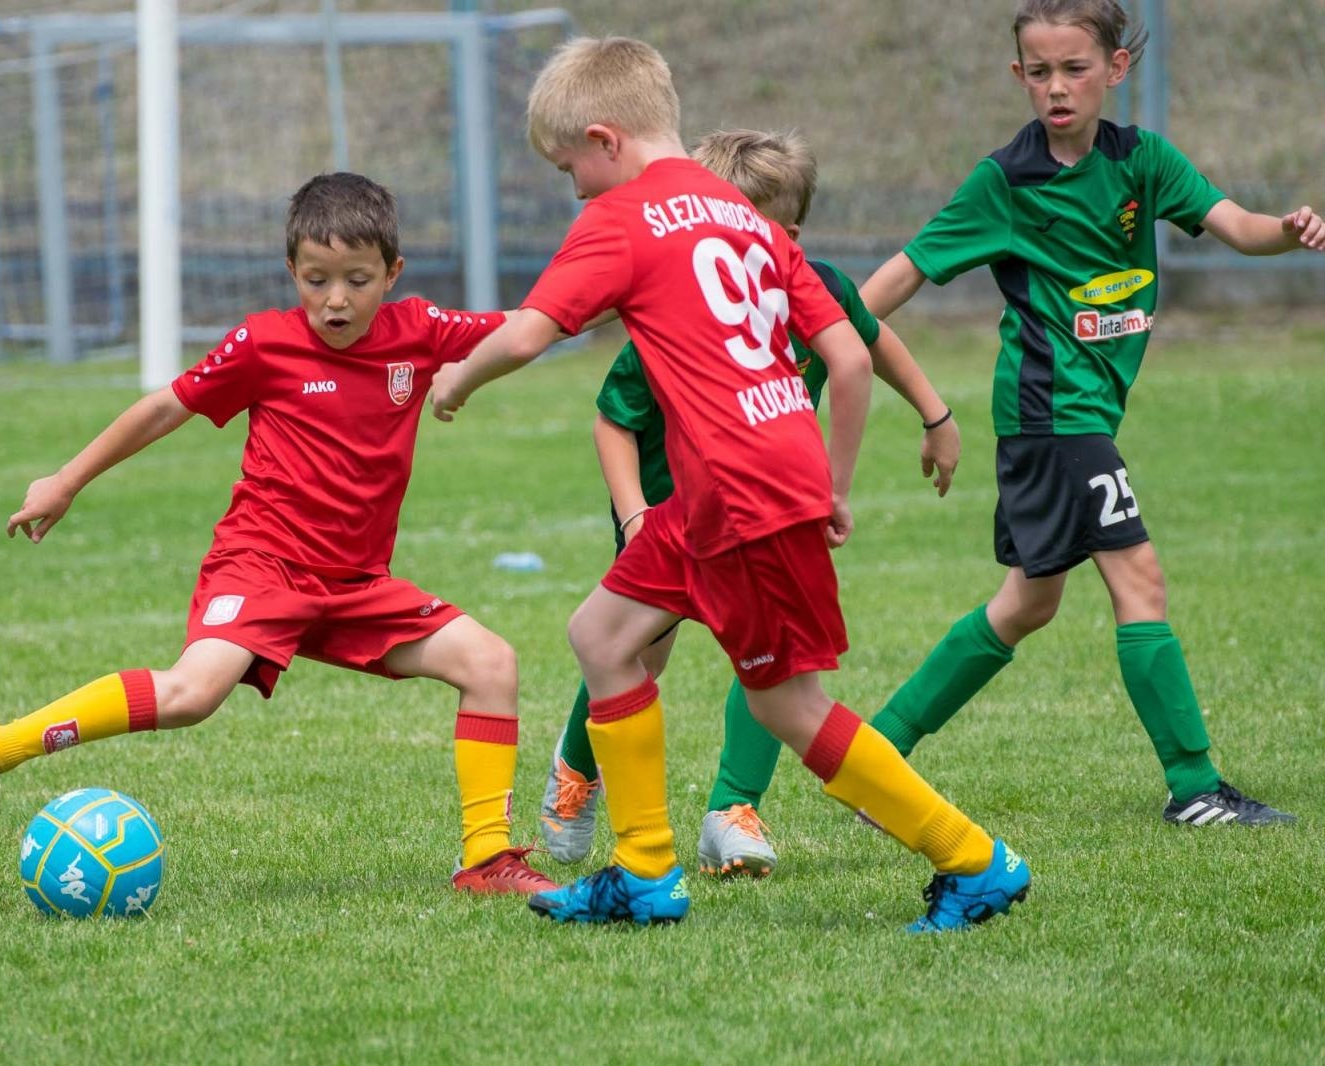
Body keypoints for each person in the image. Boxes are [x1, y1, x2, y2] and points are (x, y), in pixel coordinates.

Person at [430, 36, 1030, 931]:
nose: (575, 190)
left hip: (739, 491)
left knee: (788, 706)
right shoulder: (743, 213)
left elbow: (526, 333)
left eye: (569, 168)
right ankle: (642, 874)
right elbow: (846, 358)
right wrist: (832, 482)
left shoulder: (622, 216)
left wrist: (456, 381)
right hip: (728, 488)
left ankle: (974, 861)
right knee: (600, 634)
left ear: (605, 139)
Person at [0, 172, 562, 896]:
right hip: (263, 568)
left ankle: (487, 861)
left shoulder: (420, 332)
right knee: (191, 694)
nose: (335, 299)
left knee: (490, 664)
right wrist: (66, 480)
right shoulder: (262, 344)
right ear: (291, 272)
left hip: (355, 584)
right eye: (316, 279)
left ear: (393, 274)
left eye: (357, 280)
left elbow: (530, 327)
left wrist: (625, 289)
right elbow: (162, 409)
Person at [860, 0, 1322, 826]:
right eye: (1039, 73)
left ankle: (876, 756)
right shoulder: (1004, 180)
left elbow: (1237, 227)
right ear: (1019, 77)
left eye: (1075, 69)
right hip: (1053, 415)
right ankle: (1196, 789)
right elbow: (909, 268)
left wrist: (1289, 232)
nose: (1057, 88)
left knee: (1027, 603)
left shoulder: (1143, 162)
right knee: (1139, 580)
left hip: (1078, 418)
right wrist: (837, 334)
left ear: (1115, 69)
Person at [539, 128, 963, 880]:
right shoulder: (682, 296)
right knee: (631, 648)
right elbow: (613, 417)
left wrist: (935, 414)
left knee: (766, 662)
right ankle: (578, 774)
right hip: (668, 503)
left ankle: (731, 810)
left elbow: (867, 342)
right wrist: (635, 514)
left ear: (785, 233)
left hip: (762, 505)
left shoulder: (812, 284)